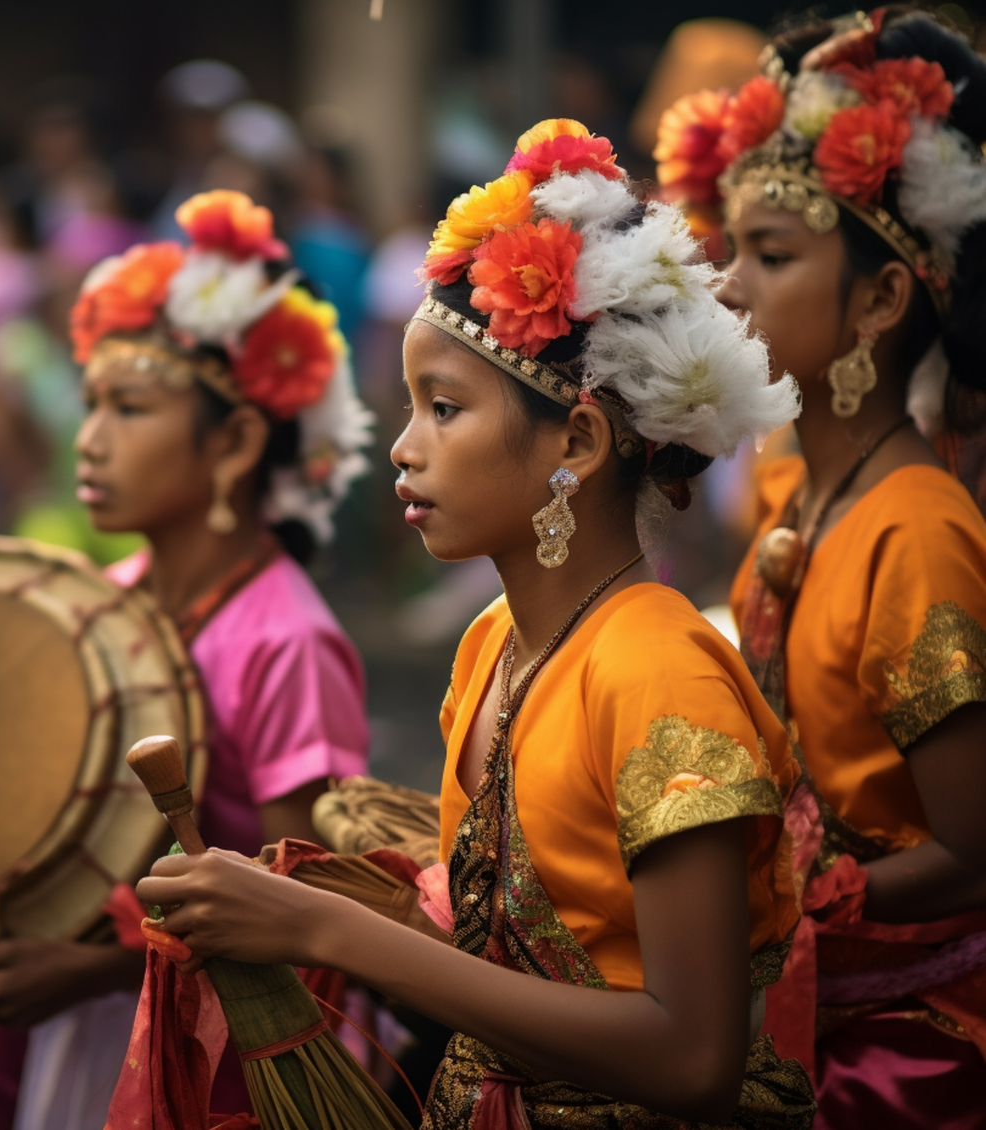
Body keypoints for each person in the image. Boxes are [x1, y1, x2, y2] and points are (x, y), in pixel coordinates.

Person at [130, 121, 815, 1129]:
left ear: (576, 440)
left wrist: (328, 927)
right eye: (411, 408)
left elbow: (696, 1055)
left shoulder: (662, 676)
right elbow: (500, 968)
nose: (404, 448)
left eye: (443, 408)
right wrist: (329, 910)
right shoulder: (493, 642)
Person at [0, 189, 375, 1130]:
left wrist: (92, 969)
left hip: (223, 1064)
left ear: (238, 441)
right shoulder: (106, 600)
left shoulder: (287, 637)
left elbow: (305, 928)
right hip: (83, 1028)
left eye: (129, 408)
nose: (89, 440)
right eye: (90, 406)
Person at [658, 10, 986, 1127]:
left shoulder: (917, 531)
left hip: (906, 1055)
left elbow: (972, 850)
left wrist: (778, 903)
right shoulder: (809, 497)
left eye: (774, 254)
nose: (730, 288)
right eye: (731, 248)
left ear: (884, 300)